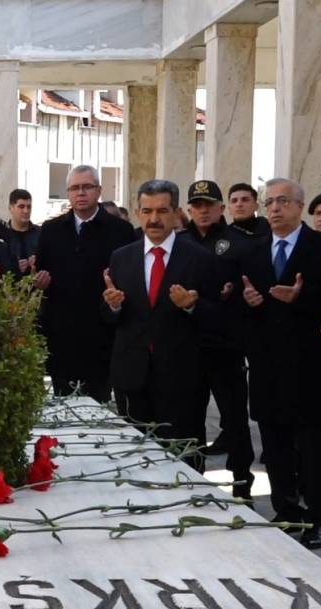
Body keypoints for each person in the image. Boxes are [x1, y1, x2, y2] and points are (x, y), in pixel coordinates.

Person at [239, 178, 321, 549]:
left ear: (300, 206)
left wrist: (300, 298)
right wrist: (249, 302)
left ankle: (317, 516)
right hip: (267, 363)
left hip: (312, 362)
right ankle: (285, 511)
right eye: (269, 202)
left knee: (315, 447)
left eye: (283, 201)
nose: (275, 209)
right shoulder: (252, 251)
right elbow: (239, 304)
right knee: (275, 443)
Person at [103, 179, 218, 466]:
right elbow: (109, 317)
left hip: (182, 377)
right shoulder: (121, 257)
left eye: (162, 211)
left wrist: (192, 306)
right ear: (138, 211)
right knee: (138, 457)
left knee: (183, 457)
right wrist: (112, 306)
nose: (154, 219)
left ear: (177, 212)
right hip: (133, 376)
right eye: (147, 211)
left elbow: (219, 317)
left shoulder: (199, 258)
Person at [32, 165, 136, 402]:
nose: (81, 193)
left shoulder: (120, 230)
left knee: (98, 404)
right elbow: (39, 272)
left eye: (87, 187)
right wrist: (39, 282)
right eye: (74, 188)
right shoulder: (51, 230)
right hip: (62, 334)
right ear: (68, 193)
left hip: (102, 334)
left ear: (98, 190)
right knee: (62, 405)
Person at [181, 179, 255, 499]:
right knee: (189, 420)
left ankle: (242, 485)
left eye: (209, 204)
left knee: (235, 420)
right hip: (188, 345)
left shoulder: (239, 241)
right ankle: (193, 482)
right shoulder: (178, 242)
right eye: (196, 205)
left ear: (221, 208)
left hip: (225, 345)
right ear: (188, 210)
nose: (203, 210)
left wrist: (232, 294)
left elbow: (249, 288)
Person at [7, 188, 40, 273]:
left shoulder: (41, 234)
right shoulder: (2, 236)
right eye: (21, 207)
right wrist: (14, 268)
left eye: (29, 207)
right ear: (11, 208)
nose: (26, 211)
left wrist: (39, 262)